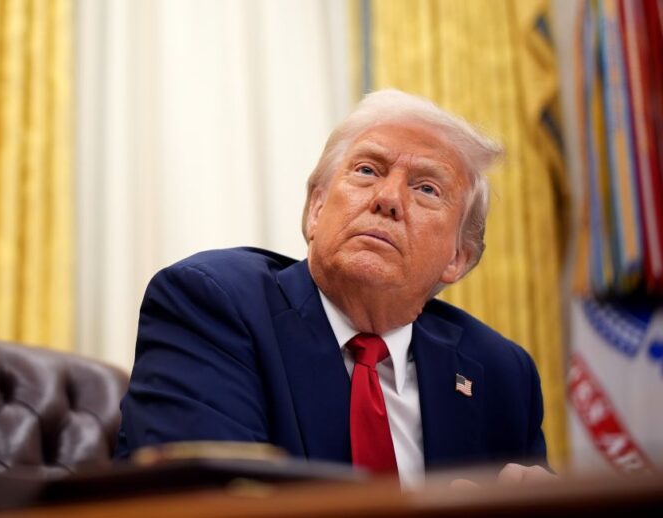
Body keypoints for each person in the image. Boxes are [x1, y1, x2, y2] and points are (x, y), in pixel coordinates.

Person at [115, 89, 555, 487]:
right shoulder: (212, 305)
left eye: (426, 188)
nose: (389, 199)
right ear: (316, 209)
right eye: (367, 170)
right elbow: (207, 504)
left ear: (458, 257)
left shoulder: (500, 373)